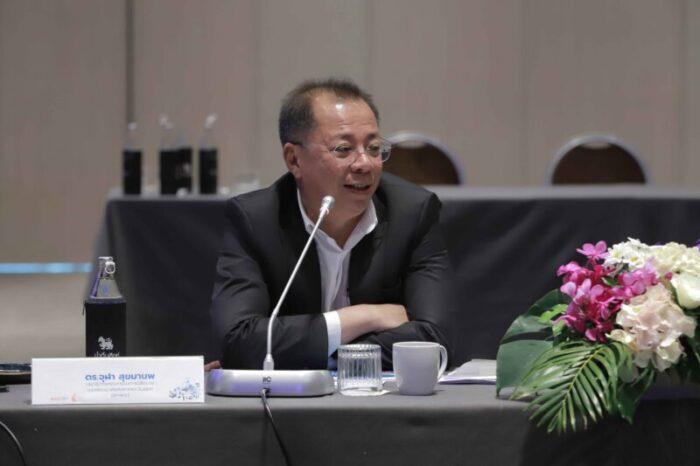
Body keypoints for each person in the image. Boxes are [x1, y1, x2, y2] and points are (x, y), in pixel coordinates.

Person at [210, 78, 452, 369]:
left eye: (374, 148)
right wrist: (364, 316)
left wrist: (316, 355)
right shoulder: (255, 220)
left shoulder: (412, 213)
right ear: (294, 160)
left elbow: (434, 340)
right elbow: (238, 341)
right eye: (343, 149)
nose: (364, 164)